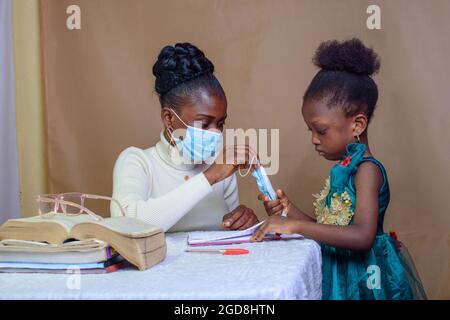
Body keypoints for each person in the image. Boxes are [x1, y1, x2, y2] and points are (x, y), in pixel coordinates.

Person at [252, 38, 426, 300]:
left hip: (364, 281)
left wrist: (295, 226)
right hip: (339, 276)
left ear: (357, 125)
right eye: (309, 130)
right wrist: (289, 211)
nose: (313, 139)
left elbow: (361, 236)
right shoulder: (344, 169)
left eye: (320, 130)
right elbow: (330, 231)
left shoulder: (367, 170)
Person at [111, 42, 259, 232]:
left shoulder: (221, 168)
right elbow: (126, 226)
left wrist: (245, 223)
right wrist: (209, 176)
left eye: (220, 124)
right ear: (169, 117)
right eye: (204, 123)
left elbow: (230, 238)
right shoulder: (138, 162)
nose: (215, 133)